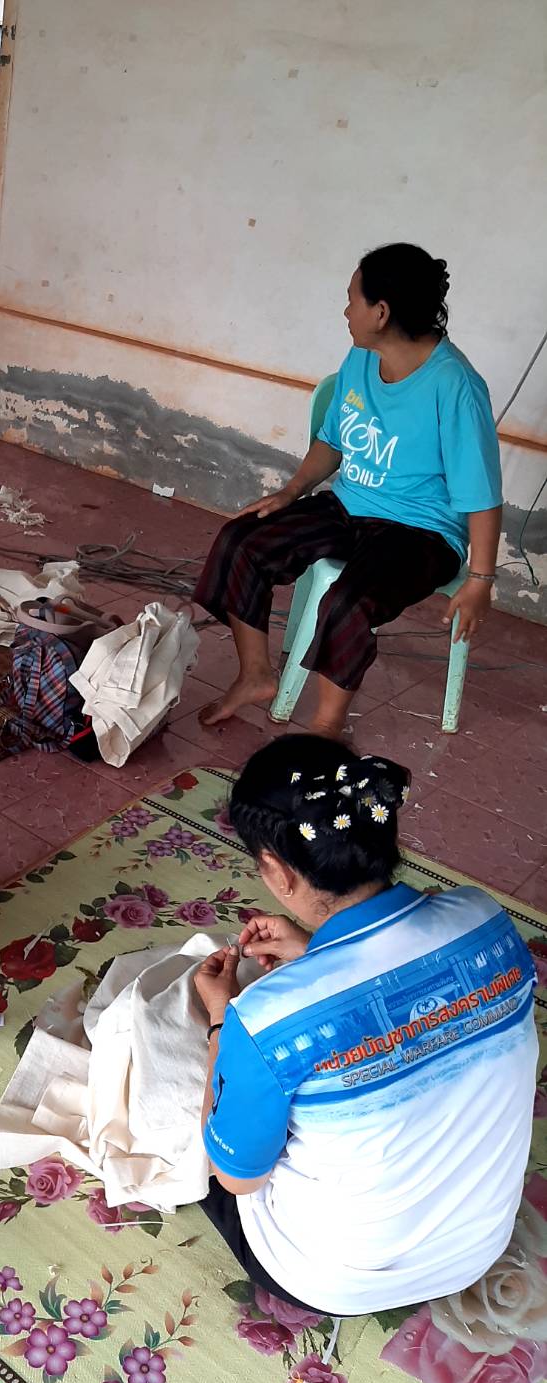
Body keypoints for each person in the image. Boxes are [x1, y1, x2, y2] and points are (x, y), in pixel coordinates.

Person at [194, 733, 537, 1316]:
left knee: (198, 1117)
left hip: (331, 1282)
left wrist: (221, 1022)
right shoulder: (485, 918)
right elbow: (409, 994)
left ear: (275, 870)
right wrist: (315, 954)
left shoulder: (263, 1016)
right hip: (478, 1248)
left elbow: (238, 1180)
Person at [194, 243, 502, 739]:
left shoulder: (455, 386)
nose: (345, 311)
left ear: (381, 313)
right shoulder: (362, 357)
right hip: (349, 505)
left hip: (421, 531)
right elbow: (332, 442)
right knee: (242, 541)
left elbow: (482, 494)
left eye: (352, 299)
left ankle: (326, 726)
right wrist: (292, 491)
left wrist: (481, 580)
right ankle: (255, 675)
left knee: (347, 601)